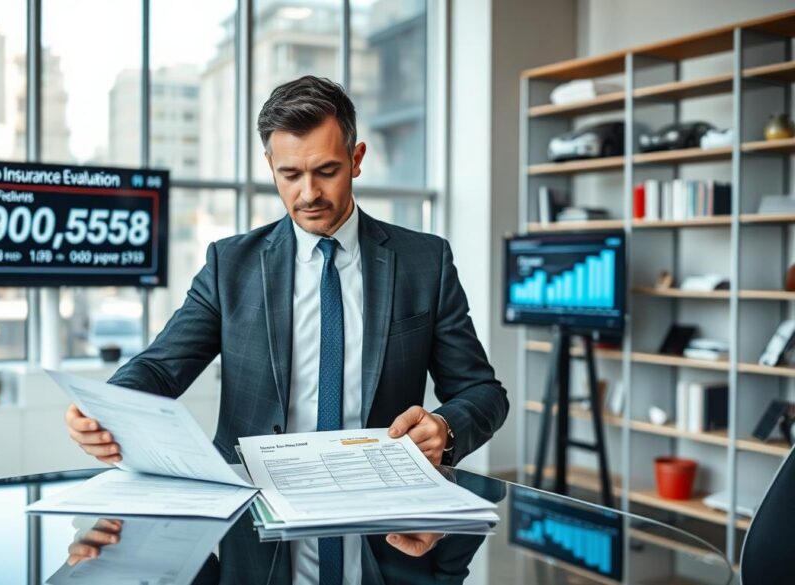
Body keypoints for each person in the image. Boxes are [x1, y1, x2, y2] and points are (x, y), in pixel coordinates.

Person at [65, 75, 509, 585]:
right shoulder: (229, 264)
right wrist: (110, 410)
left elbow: (481, 391)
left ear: (357, 158)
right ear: (270, 167)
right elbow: (162, 366)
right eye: (290, 174)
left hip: (383, 523)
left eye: (327, 171)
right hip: (251, 523)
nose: (309, 193)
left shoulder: (424, 261)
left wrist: (446, 428)